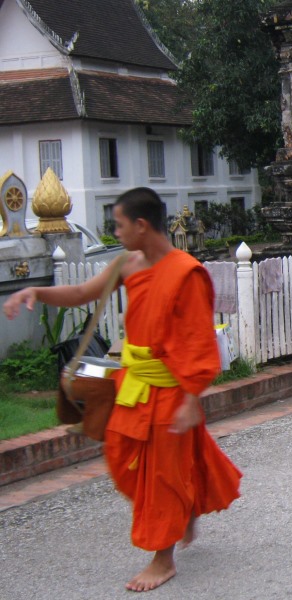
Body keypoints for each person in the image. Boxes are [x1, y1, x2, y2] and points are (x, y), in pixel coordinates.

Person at [3, 188, 242, 592]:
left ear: (141, 225)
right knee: (121, 457)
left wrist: (190, 398)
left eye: (118, 224)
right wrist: (36, 292)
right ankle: (183, 514)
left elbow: (198, 340)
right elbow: (82, 294)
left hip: (168, 388)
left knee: (162, 474)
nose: (115, 232)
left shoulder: (186, 272)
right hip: (132, 384)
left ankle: (162, 558)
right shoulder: (127, 265)